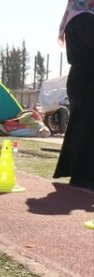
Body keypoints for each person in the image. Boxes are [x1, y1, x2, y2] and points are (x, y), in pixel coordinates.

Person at [54, 1, 94, 191]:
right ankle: (83, 176)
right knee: (86, 130)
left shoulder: (78, 17)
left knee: (82, 129)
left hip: (82, 80)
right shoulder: (83, 19)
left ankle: (81, 175)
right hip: (87, 81)